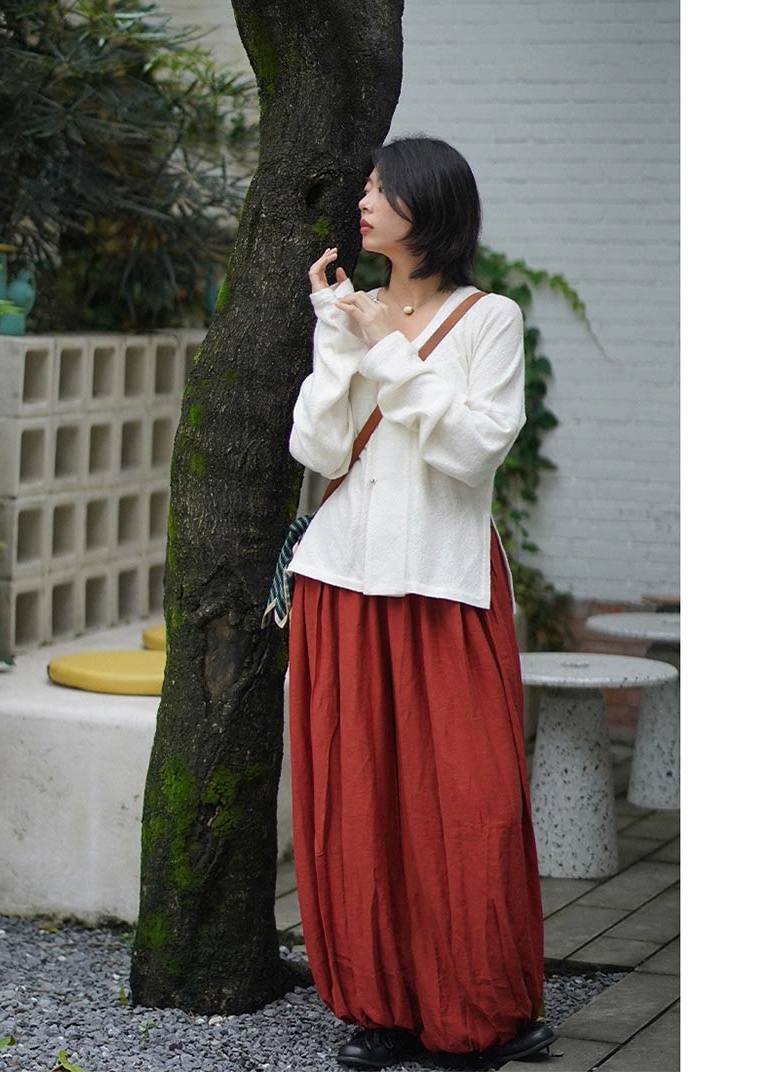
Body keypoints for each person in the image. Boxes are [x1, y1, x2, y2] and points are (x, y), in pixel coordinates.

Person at [286, 136, 554, 1069]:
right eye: (365, 186)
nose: (363, 201)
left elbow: (474, 449)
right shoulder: (357, 308)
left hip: (444, 587)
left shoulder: (490, 320)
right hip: (343, 584)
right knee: (357, 805)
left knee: (469, 806)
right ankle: (382, 1010)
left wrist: (386, 350)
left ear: (428, 206)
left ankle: (478, 1012)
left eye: (381, 188)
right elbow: (319, 450)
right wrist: (336, 332)